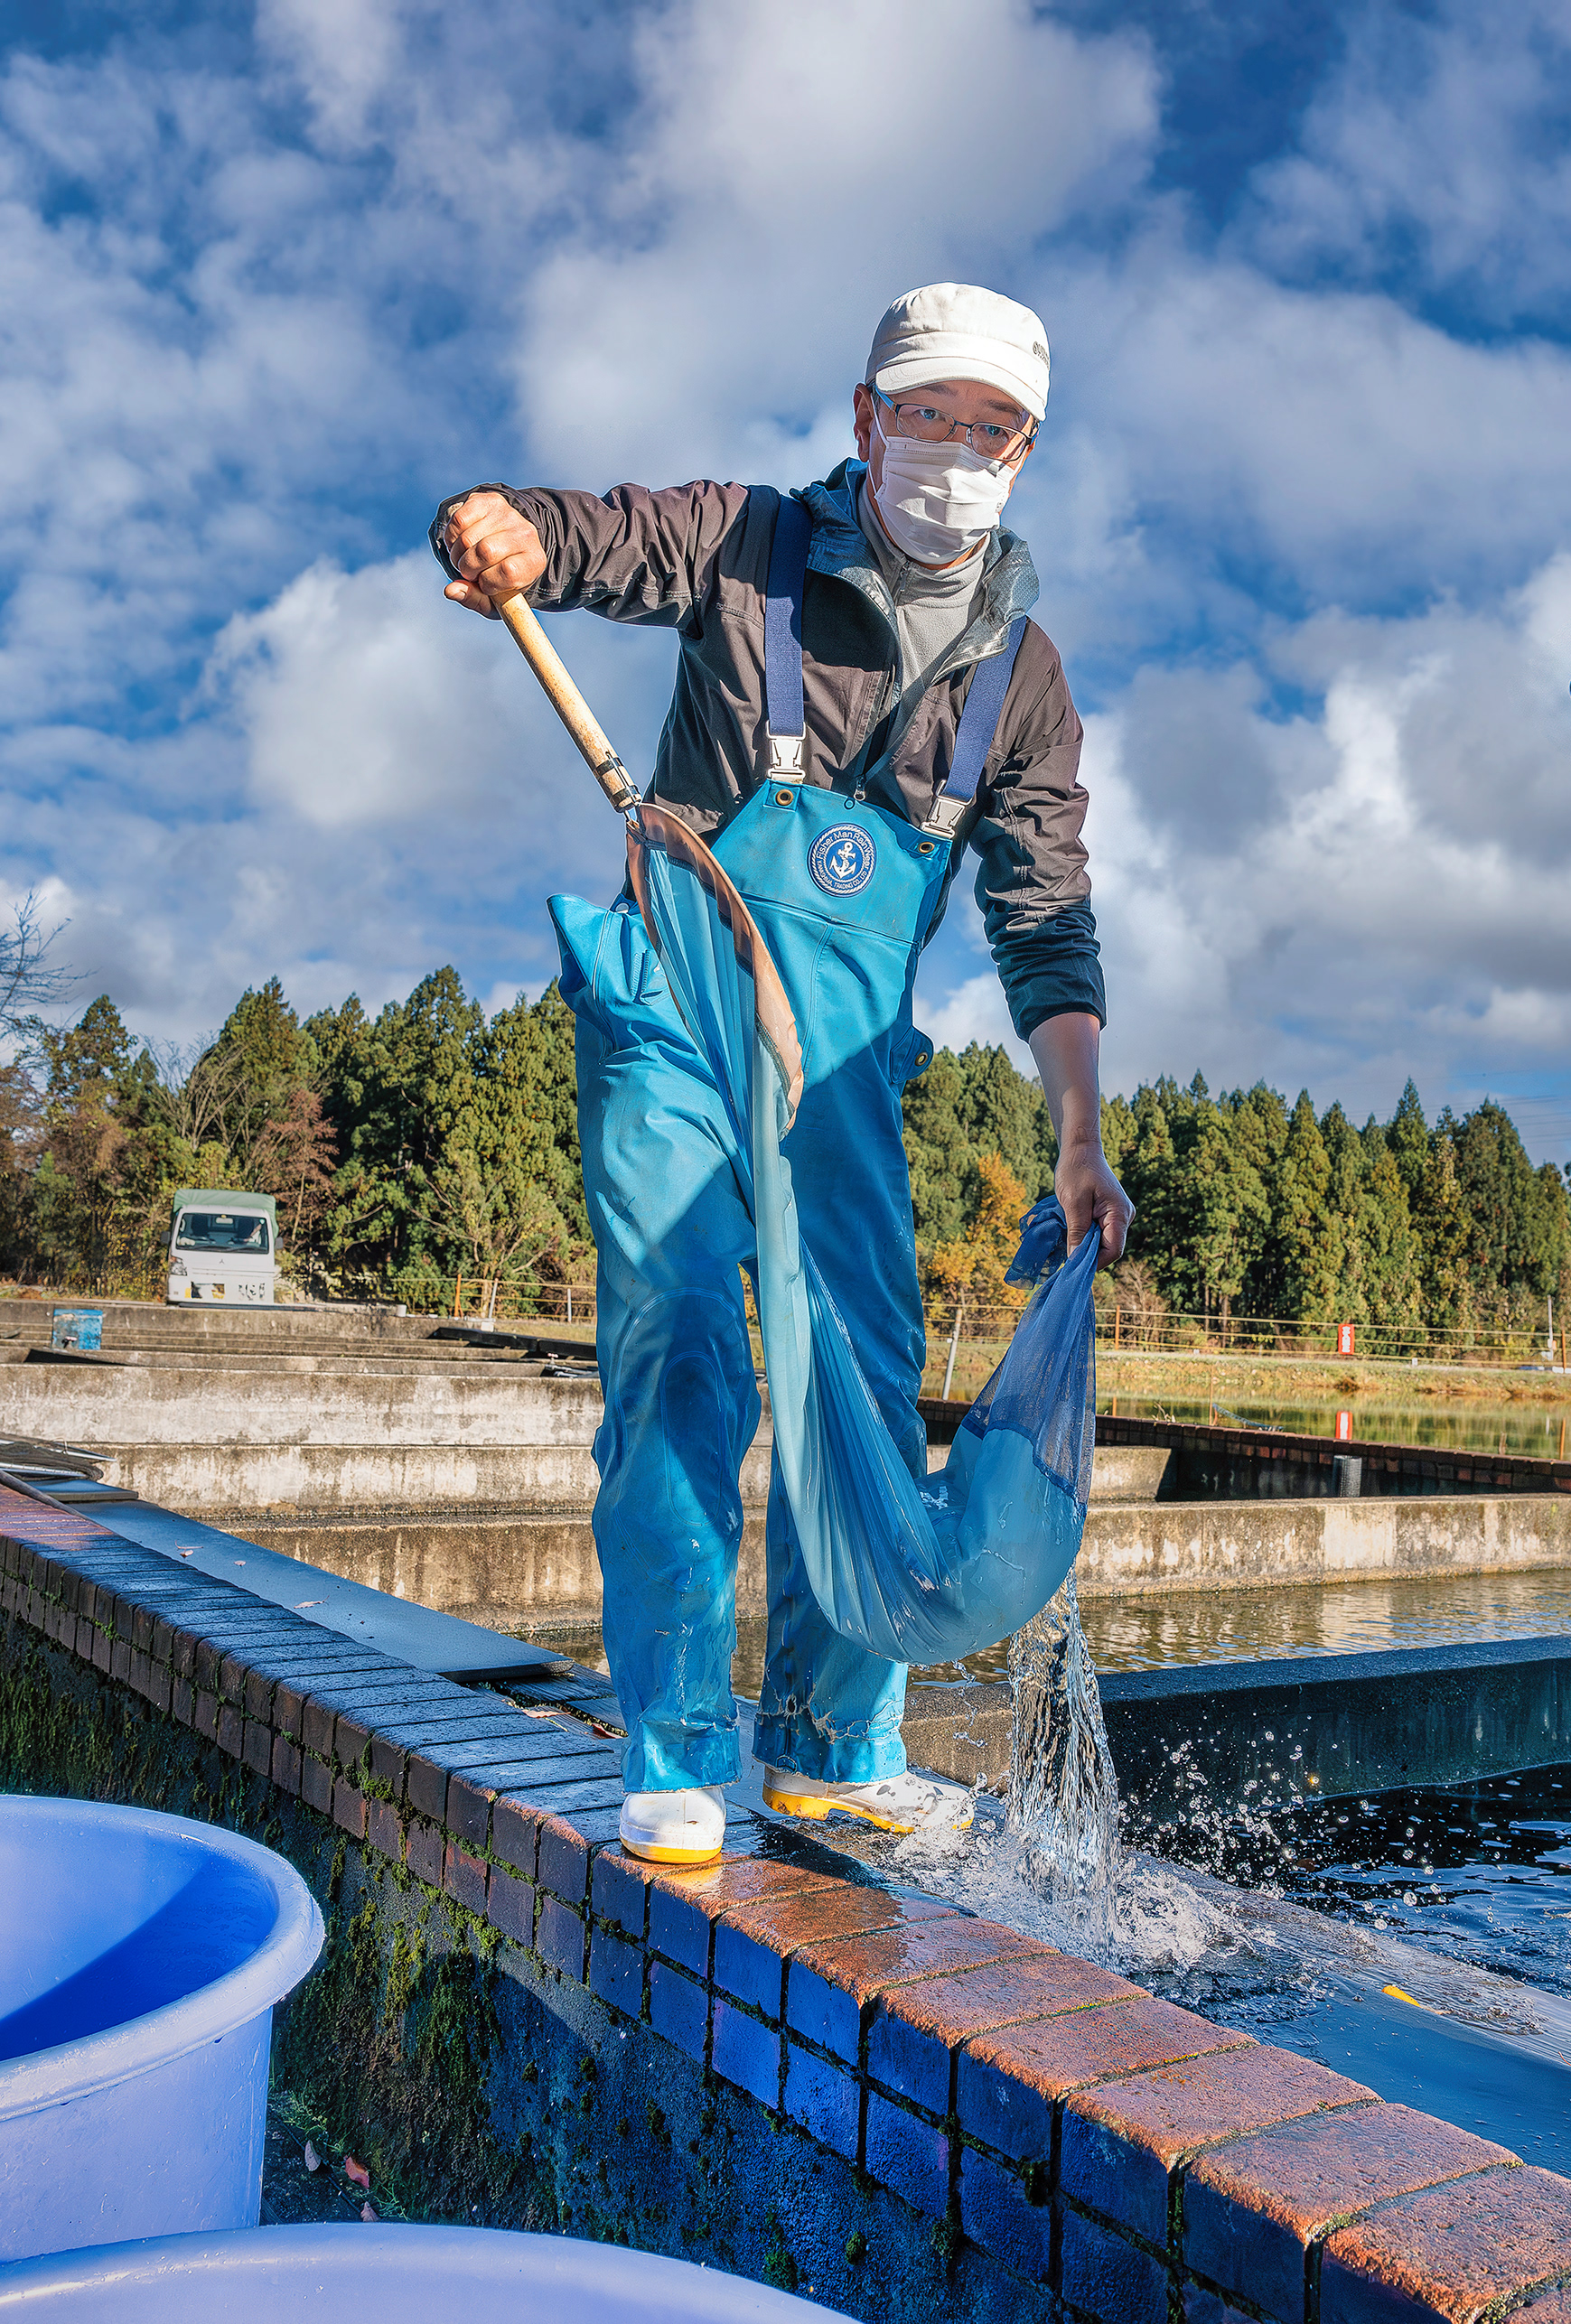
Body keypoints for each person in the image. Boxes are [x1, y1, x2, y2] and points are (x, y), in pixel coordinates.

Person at [434, 283, 1132, 1867]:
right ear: (871, 418)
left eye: (993, 427)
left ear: (1026, 452)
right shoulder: (748, 543)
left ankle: (829, 1751)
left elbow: (1047, 915)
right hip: (681, 1015)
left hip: (843, 1072)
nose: (958, 449)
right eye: (931, 415)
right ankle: (676, 1749)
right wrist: (511, 531)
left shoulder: (1021, 681)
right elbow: (600, 538)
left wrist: (1079, 1133)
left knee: (864, 1388)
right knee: (684, 1335)